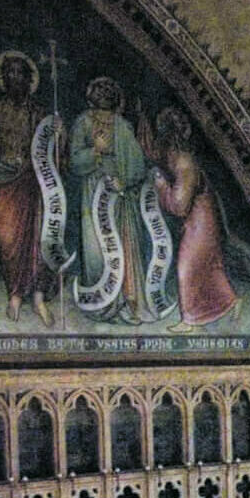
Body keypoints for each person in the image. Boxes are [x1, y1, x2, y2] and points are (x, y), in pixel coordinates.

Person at [0, 49, 57, 325]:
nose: (14, 78)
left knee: (41, 237)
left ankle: (39, 297)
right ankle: (15, 295)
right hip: (5, 180)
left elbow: (55, 153)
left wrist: (58, 137)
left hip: (37, 181)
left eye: (20, 73)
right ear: (3, 79)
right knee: (9, 241)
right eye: (9, 73)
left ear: (29, 79)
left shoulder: (41, 113)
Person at [68, 74, 153, 324]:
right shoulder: (83, 123)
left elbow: (137, 163)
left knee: (123, 245)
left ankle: (126, 301)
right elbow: (74, 162)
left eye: (107, 100)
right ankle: (102, 303)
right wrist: (95, 150)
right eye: (99, 101)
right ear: (92, 101)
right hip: (93, 194)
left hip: (118, 196)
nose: (104, 115)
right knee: (96, 246)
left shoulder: (122, 126)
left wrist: (123, 182)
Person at [152, 105, 239, 330]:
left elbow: (180, 206)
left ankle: (189, 320)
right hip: (201, 217)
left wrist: (161, 186)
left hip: (201, 220)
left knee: (188, 266)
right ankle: (231, 301)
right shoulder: (176, 157)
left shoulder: (184, 162)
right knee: (209, 265)